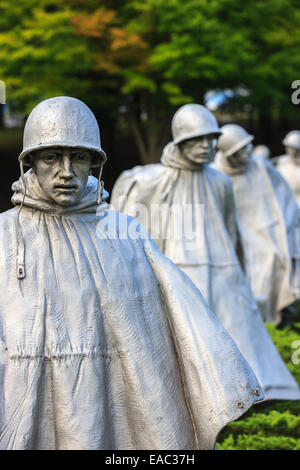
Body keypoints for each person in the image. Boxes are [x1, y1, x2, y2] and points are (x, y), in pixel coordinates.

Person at [0, 96, 264, 450]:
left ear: (94, 163)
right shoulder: (5, 236)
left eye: (78, 157)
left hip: (107, 402)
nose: (66, 171)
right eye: (51, 157)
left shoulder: (125, 232)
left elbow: (177, 323)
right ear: (30, 161)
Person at [111, 104, 300, 403]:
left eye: (211, 140)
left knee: (241, 340)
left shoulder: (220, 182)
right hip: (181, 269)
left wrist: (241, 274)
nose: (206, 147)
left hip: (225, 272)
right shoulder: (154, 180)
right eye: (197, 140)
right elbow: (133, 233)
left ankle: (248, 393)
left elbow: (231, 231)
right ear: (180, 142)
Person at [214, 124, 300, 325]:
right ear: (228, 154)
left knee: (274, 257)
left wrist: (287, 223)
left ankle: (275, 318)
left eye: (247, 146)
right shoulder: (217, 173)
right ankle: (255, 321)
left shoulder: (260, 165)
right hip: (238, 234)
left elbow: (283, 196)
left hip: (268, 227)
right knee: (252, 269)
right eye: (240, 150)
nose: (247, 152)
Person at [276, 130, 300, 206]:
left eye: (291, 147)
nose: (288, 149)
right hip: (286, 204)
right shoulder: (282, 162)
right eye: (287, 147)